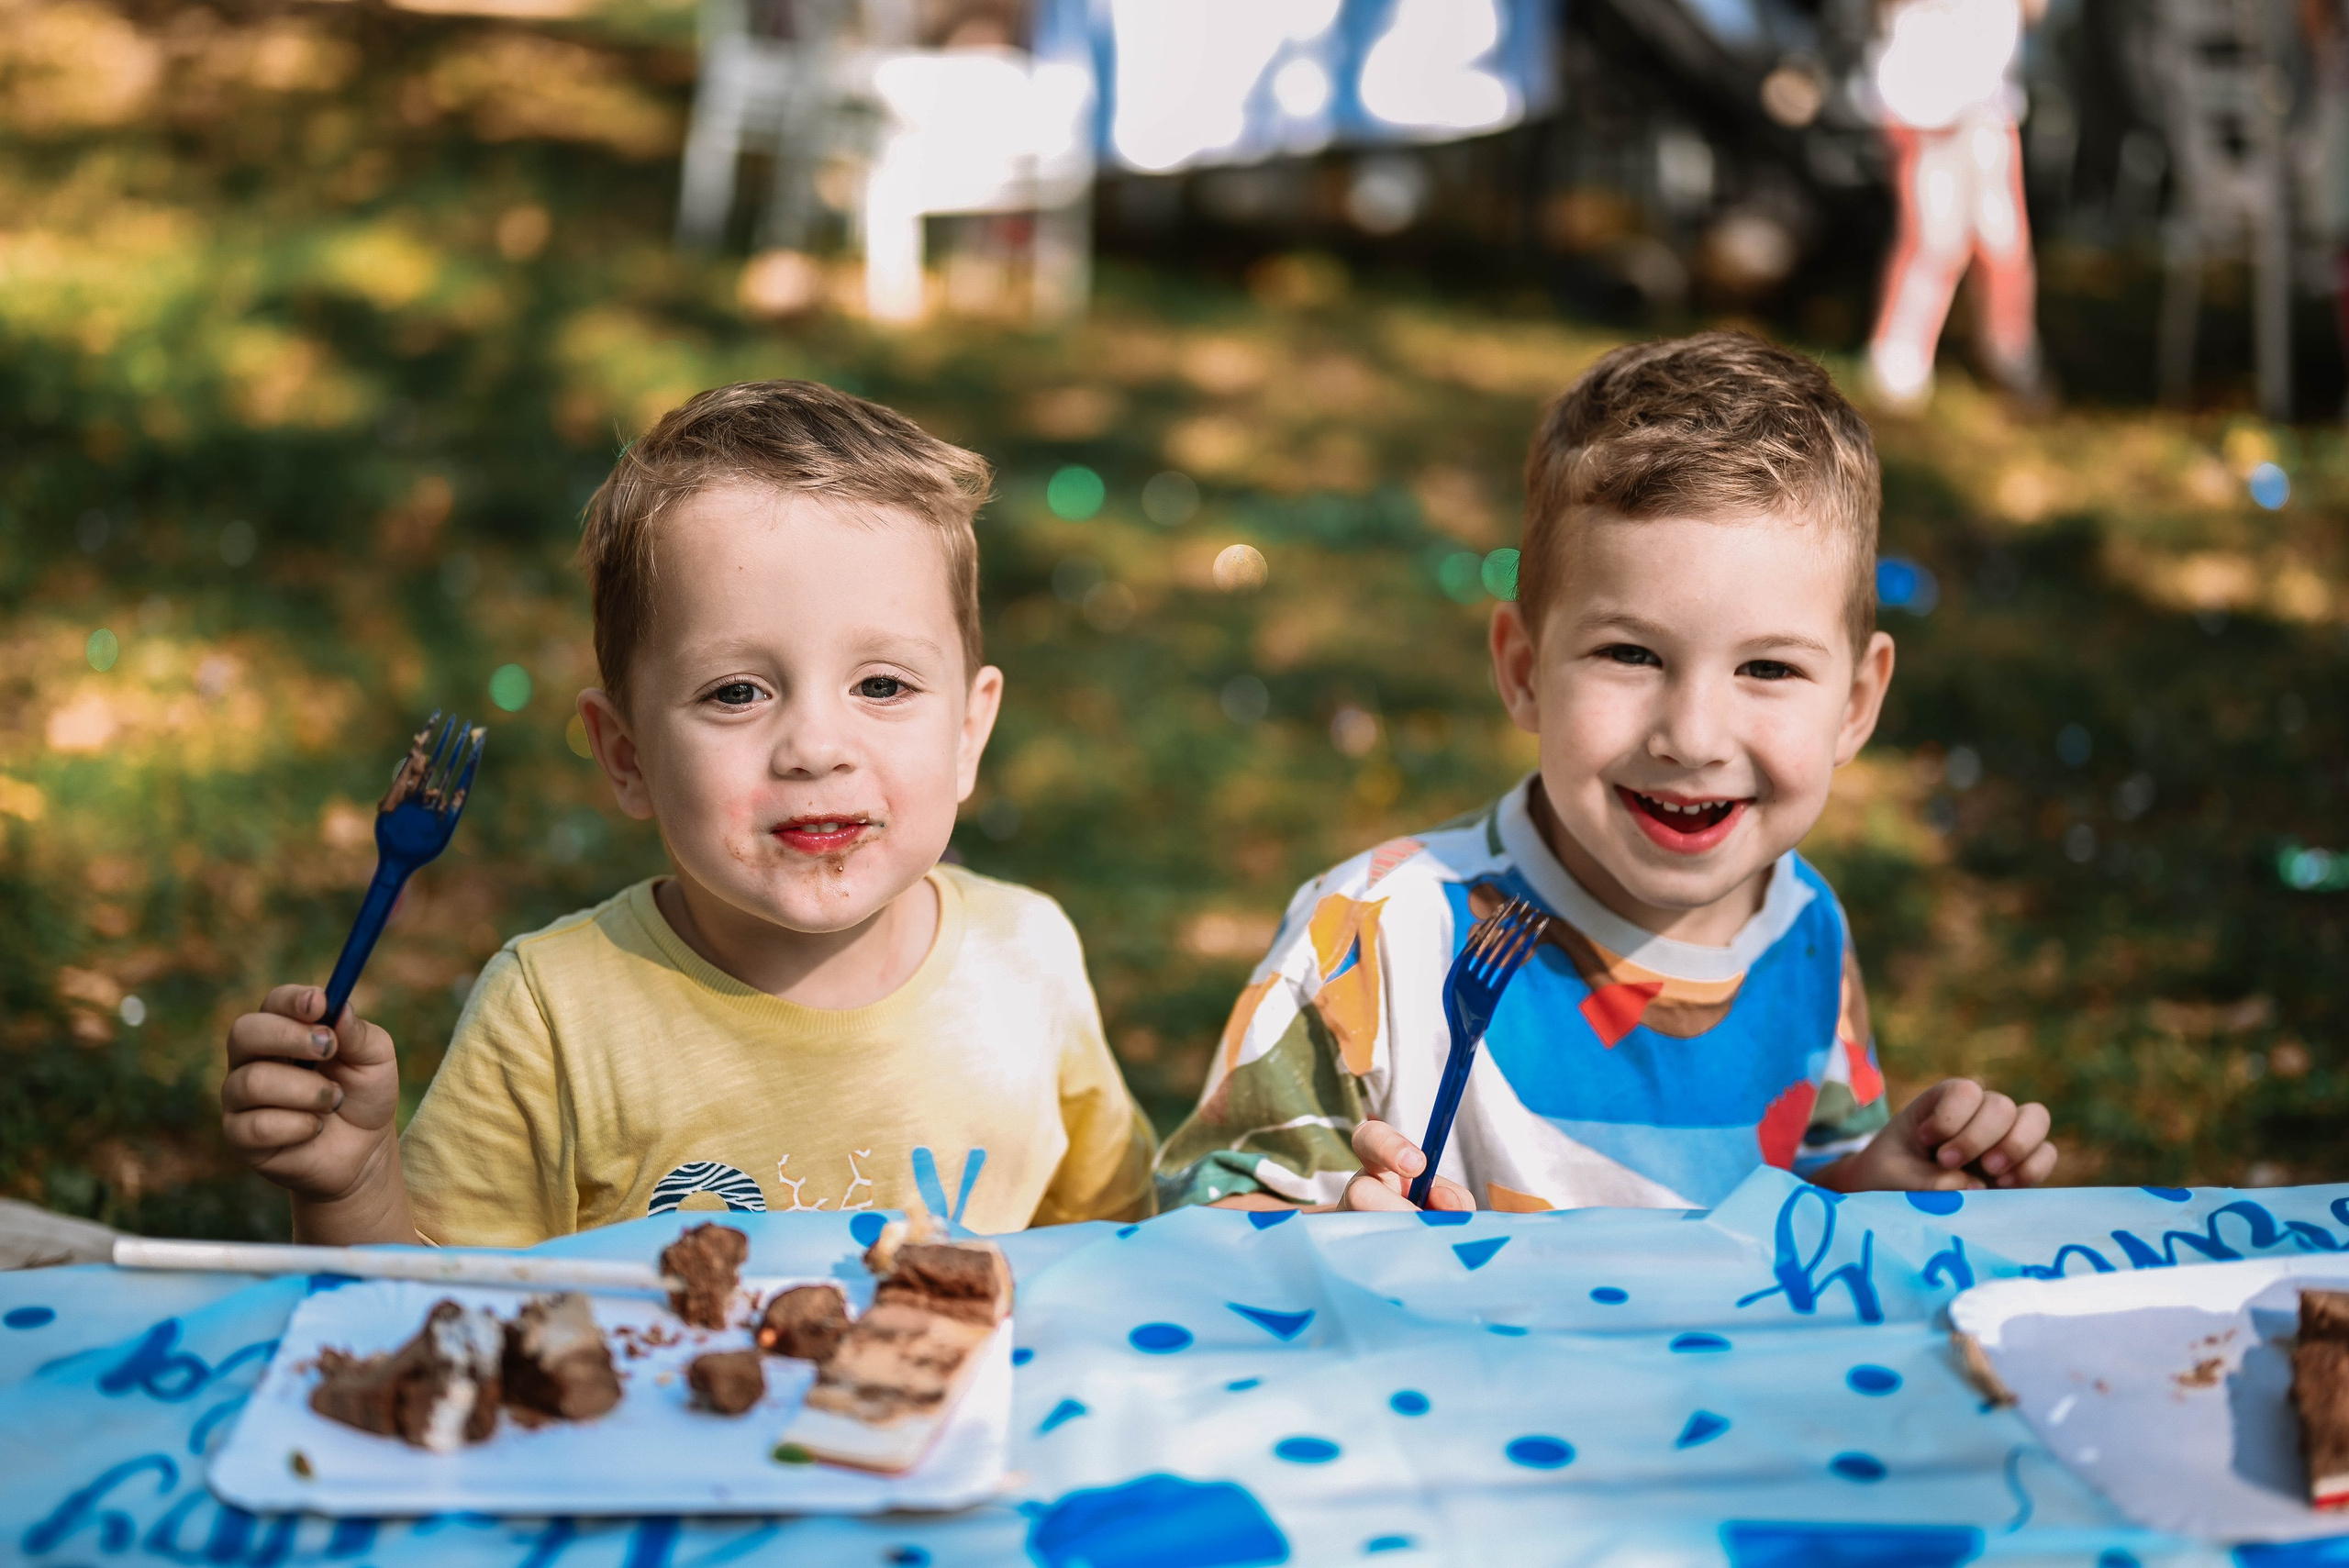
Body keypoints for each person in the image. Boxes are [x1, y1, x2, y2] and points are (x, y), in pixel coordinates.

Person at [220, 381, 1156, 1244]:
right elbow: (420, 1316)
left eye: (881, 683)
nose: (815, 746)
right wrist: (351, 1187)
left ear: (967, 732)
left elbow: (1121, 1251)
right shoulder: (555, 1017)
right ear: (627, 755)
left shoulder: (1027, 961)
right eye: (737, 691)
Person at [1157, 332, 2059, 1214]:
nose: (1693, 737)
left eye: (1767, 667)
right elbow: (1203, 1214)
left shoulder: (1805, 927)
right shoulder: (1375, 935)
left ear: (1856, 704)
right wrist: (1333, 1232)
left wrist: (1871, 1185)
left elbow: (1787, 1205)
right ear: (1523, 671)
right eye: (1631, 654)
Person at [1865, 0, 2048, 410]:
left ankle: (2011, 353)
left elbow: (2034, 11)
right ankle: (1898, 362)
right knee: (1935, 239)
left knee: (2003, 239)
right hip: (1922, 103)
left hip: (1990, 106)